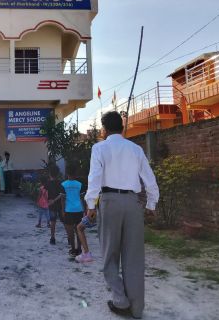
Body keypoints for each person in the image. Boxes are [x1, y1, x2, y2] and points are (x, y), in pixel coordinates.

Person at [85, 111, 159, 319]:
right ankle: (137, 308)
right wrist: (151, 203)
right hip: (133, 202)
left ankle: (120, 300)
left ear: (104, 129)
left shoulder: (99, 148)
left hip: (109, 202)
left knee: (110, 254)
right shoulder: (135, 149)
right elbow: (149, 177)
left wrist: (91, 204)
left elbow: (95, 177)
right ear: (122, 128)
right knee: (134, 257)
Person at [61, 163, 84, 257]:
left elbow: (62, 199)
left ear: (67, 173)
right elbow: (82, 198)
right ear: (75, 174)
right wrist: (85, 210)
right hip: (79, 210)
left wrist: (63, 210)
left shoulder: (63, 184)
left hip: (68, 210)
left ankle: (73, 249)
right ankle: (79, 249)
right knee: (79, 230)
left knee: (70, 232)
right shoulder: (80, 184)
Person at [46, 164, 64, 245]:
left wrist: (50, 201)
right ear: (57, 173)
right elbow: (62, 194)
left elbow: (44, 192)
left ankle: (52, 238)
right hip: (60, 205)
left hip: (52, 205)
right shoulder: (60, 183)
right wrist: (55, 200)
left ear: (50, 173)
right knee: (64, 222)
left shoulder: (48, 183)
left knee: (53, 222)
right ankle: (69, 238)